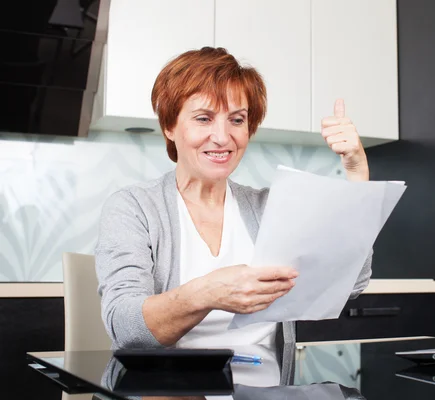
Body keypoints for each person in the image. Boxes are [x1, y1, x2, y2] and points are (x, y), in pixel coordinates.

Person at [95, 47, 372, 360]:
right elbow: (126, 329)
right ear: (170, 127)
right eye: (203, 118)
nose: (223, 137)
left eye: (237, 120)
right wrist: (208, 293)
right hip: (170, 388)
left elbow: (347, 283)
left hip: (265, 384)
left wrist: (356, 174)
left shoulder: (271, 208)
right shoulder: (134, 208)